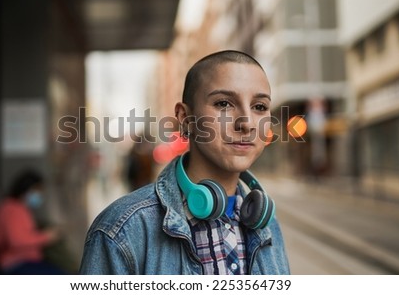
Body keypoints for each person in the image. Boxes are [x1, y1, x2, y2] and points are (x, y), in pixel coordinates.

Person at [79, 50, 290, 275]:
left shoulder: (267, 225)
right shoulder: (122, 231)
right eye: (224, 103)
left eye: (259, 107)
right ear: (185, 118)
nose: (247, 123)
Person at [0, 170, 63, 274]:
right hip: (15, 264)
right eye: (37, 191)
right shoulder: (11, 208)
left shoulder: (22, 209)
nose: (40, 195)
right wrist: (46, 236)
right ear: (27, 188)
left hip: (29, 261)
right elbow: (16, 241)